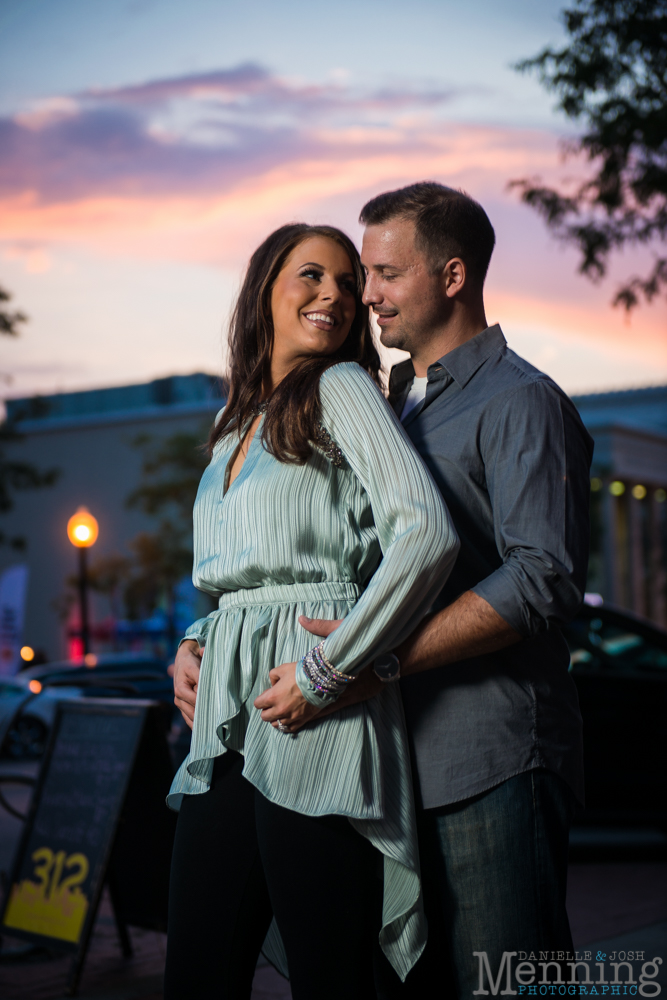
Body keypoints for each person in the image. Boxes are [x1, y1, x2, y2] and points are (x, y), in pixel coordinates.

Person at [278, 183, 594, 996]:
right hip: (394, 764)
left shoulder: (519, 399)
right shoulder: (392, 408)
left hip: (491, 759)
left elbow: (540, 581)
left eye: (384, 274)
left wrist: (370, 664)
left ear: (452, 277)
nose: (365, 295)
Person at [165, 222, 459, 1000]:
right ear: (265, 288)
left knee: (330, 974)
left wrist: (331, 669)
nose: (334, 293)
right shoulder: (235, 422)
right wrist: (193, 643)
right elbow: (238, 576)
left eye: (345, 279)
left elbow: (424, 532)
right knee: (196, 966)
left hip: (313, 706)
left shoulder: (342, 387)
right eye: (310, 275)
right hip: (225, 714)